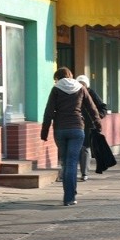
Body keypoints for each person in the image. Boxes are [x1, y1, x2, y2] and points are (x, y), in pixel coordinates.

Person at [41, 67, 102, 206]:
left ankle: (69, 194)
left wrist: (44, 132)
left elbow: (48, 111)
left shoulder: (56, 89)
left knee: (66, 162)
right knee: (72, 162)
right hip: (77, 129)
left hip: (61, 130)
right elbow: (92, 108)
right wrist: (98, 125)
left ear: (58, 78)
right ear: (70, 76)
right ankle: (70, 197)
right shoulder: (80, 88)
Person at [76, 75, 108, 180]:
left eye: (83, 84)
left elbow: (103, 107)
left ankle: (84, 173)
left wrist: (97, 118)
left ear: (87, 85)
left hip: (88, 125)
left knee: (85, 148)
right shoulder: (73, 93)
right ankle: (69, 172)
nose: (81, 85)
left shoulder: (91, 93)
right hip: (75, 124)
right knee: (75, 148)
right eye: (79, 83)